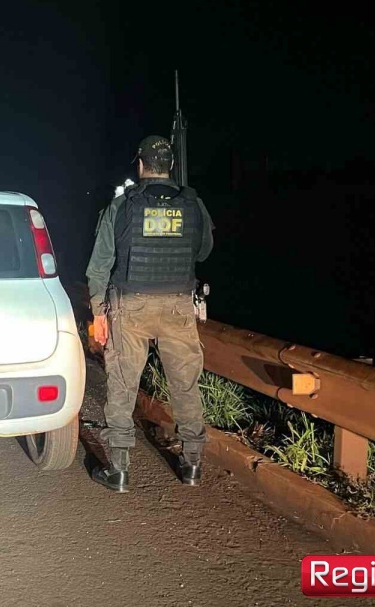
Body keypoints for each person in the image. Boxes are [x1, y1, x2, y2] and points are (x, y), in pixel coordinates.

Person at [85, 135, 215, 492]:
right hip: (178, 305)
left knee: (122, 385)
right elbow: (203, 250)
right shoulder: (193, 204)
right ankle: (192, 464)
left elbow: (99, 265)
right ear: (170, 165)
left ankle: (119, 470)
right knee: (185, 385)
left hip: (131, 306)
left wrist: (98, 312)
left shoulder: (121, 206)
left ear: (141, 165)